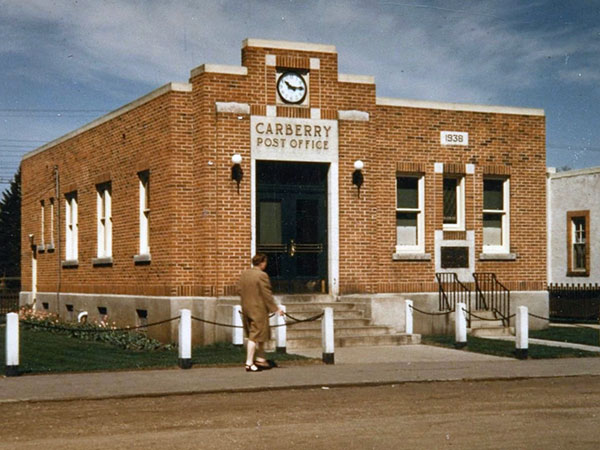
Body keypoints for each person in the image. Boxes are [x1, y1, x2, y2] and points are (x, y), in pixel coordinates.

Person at [239, 253, 284, 372]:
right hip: (258, 309)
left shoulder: (244, 274)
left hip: (246, 307)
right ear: (262, 263)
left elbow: (239, 289)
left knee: (258, 335)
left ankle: (260, 358)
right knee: (254, 336)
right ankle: (249, 363)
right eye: (265, 262)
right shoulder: (262, 275)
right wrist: (276, 309)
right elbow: (267, 294)